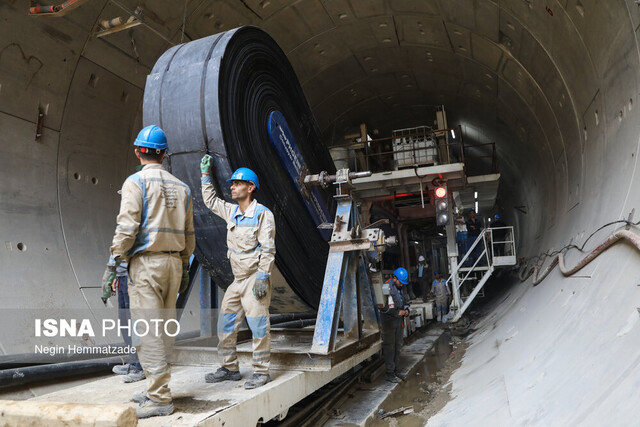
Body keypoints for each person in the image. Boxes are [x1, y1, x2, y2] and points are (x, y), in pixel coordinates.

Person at [102, 125, 195, 419]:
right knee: (164, 332)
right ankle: (157, 388)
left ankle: (159, 398)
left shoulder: (135, 183)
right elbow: (189, 234)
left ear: (137, 151)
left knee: (148, 333)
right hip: (173, 266)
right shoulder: (183, 188)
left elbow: (127, 228)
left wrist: (113, 265)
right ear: (164, 154)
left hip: (146, 266)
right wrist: (183, 264)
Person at [199, 154, 276, 390]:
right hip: (237, 281)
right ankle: (229, 368)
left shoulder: (262, 214)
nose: (232, 187)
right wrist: (204, 175)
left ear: (251, 188)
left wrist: (263, 276)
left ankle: (261, 371)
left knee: (259, 327)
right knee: (225, 325)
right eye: (232, 183)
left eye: (238, 183)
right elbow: (210, 201)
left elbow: (268, 248)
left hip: (254, 280)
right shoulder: (231, 212)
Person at [109, 259, 145, 383]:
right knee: (125, 322)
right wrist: (115, 274)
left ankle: (141, 366)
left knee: (135, 322)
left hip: (134, 275)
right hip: (122, 275)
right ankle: (133, 362)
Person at [377, 267, 410, 383]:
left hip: (398, 321)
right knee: (390, 347)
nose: (402, 285)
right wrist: (397, 312)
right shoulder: (386, 287)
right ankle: (389, 373)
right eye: (400, 282)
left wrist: (406, 311)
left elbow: (405, 301)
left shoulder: (401, 288)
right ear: (394, 278)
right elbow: (383, 308)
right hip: (388, 322)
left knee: (398, 346)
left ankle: (395, 370)